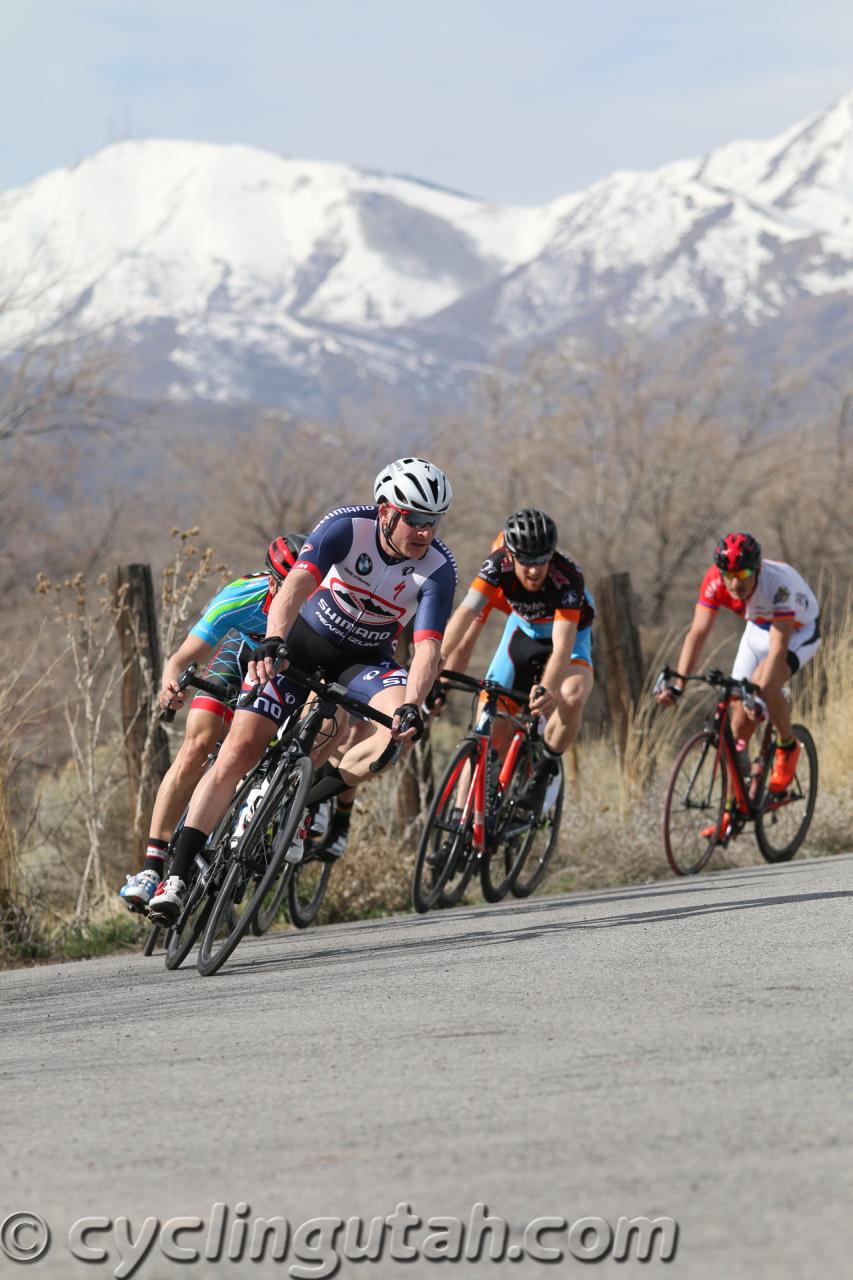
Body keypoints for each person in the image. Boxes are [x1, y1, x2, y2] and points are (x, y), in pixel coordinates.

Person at [148, 457, 457, 925]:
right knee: (238, 751)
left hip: (365, 661)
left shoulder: (438, 567)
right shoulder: (345, 527)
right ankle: (175, 875)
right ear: (387, 511)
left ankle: (301, 799)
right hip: (303, 644)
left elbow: (427, 648)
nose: (425, 532)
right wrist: (273, 640)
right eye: (415, 519)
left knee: (397, 735)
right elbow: (295, 586)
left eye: (433, 522)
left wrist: (412, 706)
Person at [118, 534, 315, 912]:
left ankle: (275, 805)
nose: (301, 597)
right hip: (240, 654)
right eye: (290, 587)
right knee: (197, 744)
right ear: (273, 582)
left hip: (288, 669)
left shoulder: (321, 608)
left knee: (284, 738)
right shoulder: (240, 597)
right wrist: (171, 686)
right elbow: (181, 659)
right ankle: (151, 866)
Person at [656, 532, 820, 835]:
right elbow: (698, 633)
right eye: (728, 575)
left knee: (763, 685)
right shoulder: (716, 580)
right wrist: (679, 682)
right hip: (758, 629)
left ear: (756, 569)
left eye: (742, 574)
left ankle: (787, 745)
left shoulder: (778, 583)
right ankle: (732, 810)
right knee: (736, 727)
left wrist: (757, 692)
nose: (735, 584)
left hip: (796, 631)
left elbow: (779, 646)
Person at [438, 508, 595, 812]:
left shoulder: (567, 578)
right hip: (522, 634)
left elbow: (562, 646)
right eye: (526, 561)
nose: (534, 570)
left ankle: (546, 767)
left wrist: (548, 687)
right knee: (486, 727)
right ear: (510, 555)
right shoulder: (497, 565)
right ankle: (460, 822)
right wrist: (434, 662)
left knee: (572, 696)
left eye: (541, 561)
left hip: (570, 640)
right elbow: (466, 613)